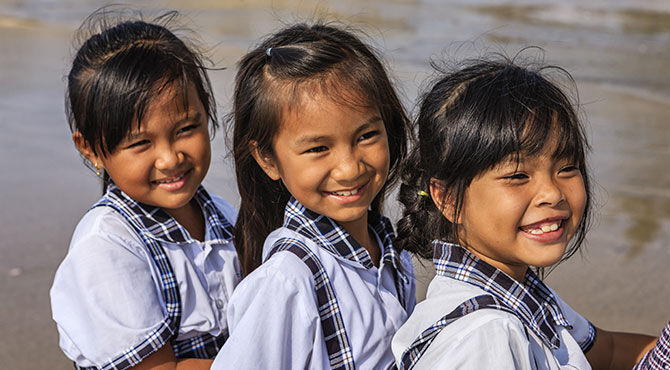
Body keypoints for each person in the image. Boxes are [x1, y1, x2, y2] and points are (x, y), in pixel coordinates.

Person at [391, 55, 657, 369]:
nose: (553, 193)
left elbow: (608, 352)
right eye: (518, 176)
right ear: (447, 198)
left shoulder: (520, 291)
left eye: (567, 168)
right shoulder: (486, 336)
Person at [211, 22, 416, 369]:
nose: (349, 168)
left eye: (366, 136)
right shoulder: (286, 281)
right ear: (267, 159)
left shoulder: (393, 255)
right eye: (319, 148)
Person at [50, 9, 240, 370]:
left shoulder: (222, 215)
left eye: (186, 128)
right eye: (140, 143)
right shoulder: (107, 247)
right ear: (90, 149)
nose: (170, 158)